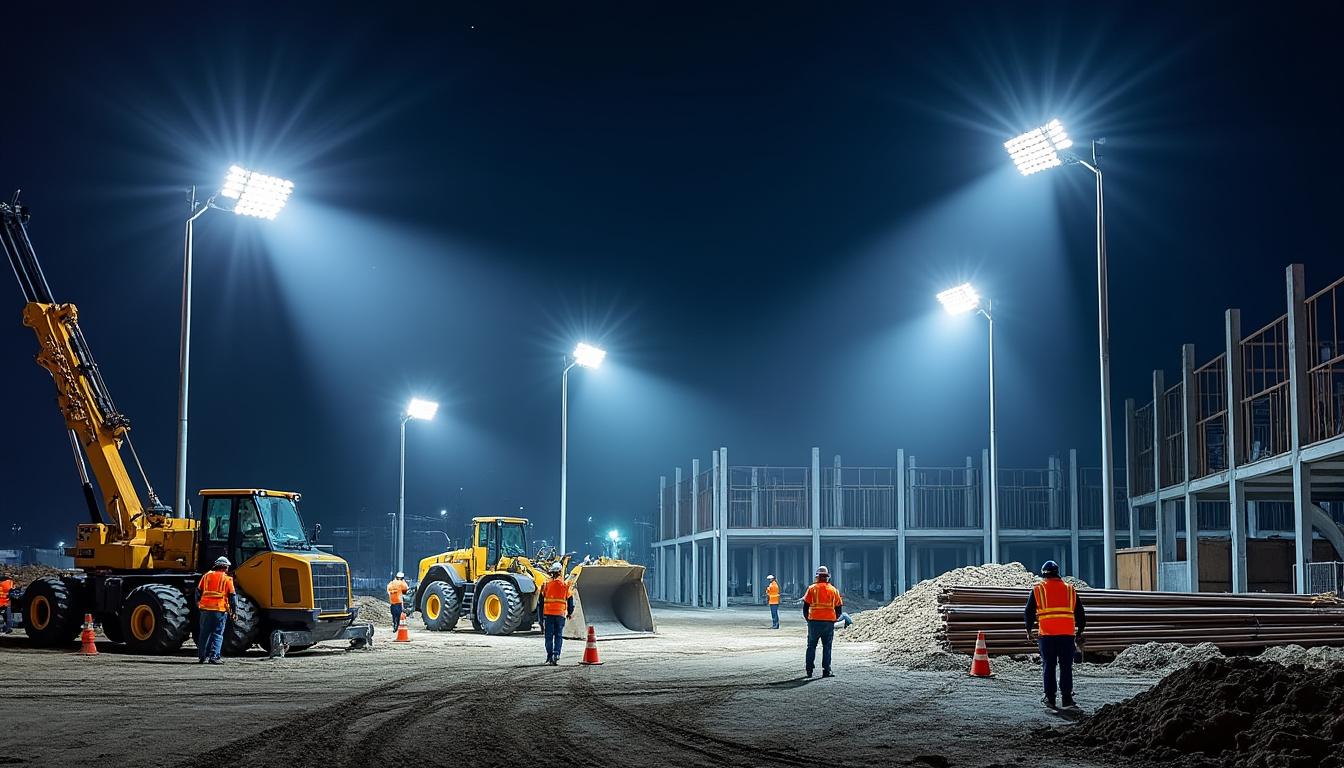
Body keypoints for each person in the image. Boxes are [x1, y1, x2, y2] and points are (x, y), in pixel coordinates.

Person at [1024, 560, 1086, 709]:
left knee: (1049, 666)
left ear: (1043, 574)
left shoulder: (1038, 589)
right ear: (1058, 573)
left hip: (1047, 636)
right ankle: (1067, 699)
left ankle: (1050, 699)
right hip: (1067, 635)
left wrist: (1028, 630)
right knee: (1066, 666)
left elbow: (1028, 612)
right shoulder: (1070, 589)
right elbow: (1081, 614)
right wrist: (1080, 632)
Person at [802, 565, 843, 678]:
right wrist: (834, 619)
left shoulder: (812, 589)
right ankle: (826, 670)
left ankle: (809, 670)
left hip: (814, 622)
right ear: (827, 577)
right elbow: (839, 608)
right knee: (827, 646)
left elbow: (805, 607)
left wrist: (808, 619)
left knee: (811, 646)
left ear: (817, 577)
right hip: (828, 622)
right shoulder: (834, 590)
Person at [196, 556, 236, 664]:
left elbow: (198, 592)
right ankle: (214, 657)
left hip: (205, 610)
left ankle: (202, 656)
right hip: (219, 610)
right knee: (217, 634)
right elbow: (233, 597)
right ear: (224, 567)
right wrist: (234, 611)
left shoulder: (206, 576)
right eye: (227, 567)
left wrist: (199, 605)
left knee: (204, 633)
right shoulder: (227, 579)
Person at [540, 561, 574, 665]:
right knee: (558, 635)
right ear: (560, 572)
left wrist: (540, 619)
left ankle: (550, 656)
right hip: (560, 615)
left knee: (548, 636)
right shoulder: (565, 585)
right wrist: (569, 612)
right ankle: (556, 654)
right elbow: (570, 600)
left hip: (548, 614)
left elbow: (540, 602)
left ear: (551, 572)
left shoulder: (545, 585)